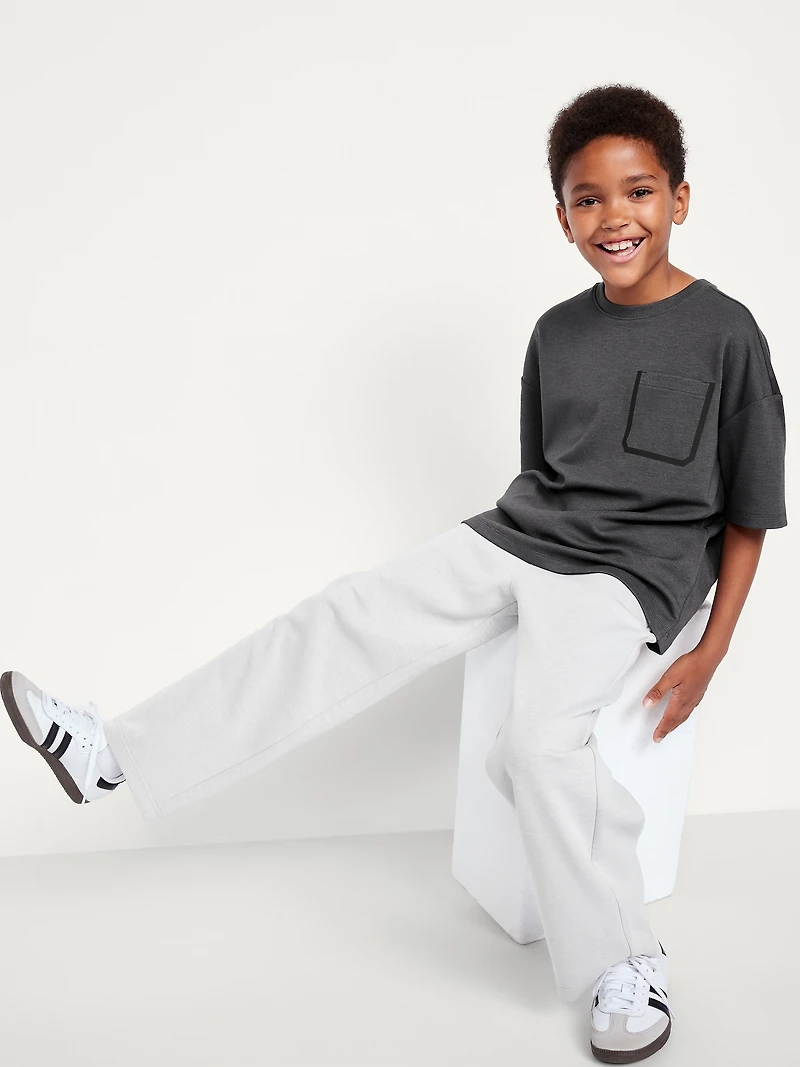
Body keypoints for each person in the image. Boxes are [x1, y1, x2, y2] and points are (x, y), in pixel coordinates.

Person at [2, 83, 787, 1063]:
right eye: (586, 199)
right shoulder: (557, 332)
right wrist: (509, 562)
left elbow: (750, 509)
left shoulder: (726, 332)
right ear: (561, 218)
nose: (613, 216)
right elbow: (543, 470)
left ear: (679, 198)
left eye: (637, 191)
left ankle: (623, 961)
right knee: (341, 613)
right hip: (521, 535)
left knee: (537, 744)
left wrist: (711, 647)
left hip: (628, 576)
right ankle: (113, 752)